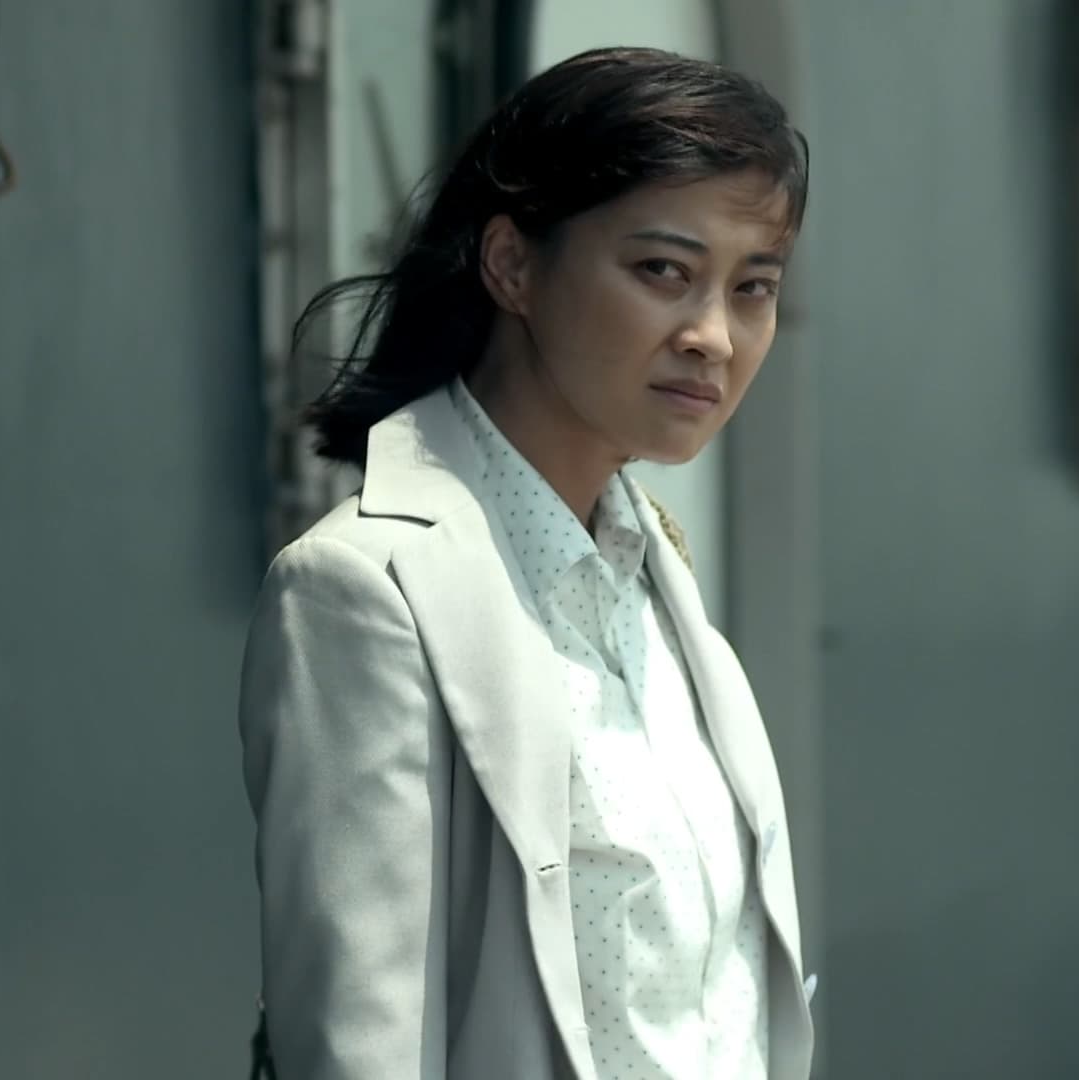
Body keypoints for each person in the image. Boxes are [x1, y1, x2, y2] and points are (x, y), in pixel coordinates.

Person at [238, 46, 813, 1079]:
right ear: (511, 264)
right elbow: (360, 1048)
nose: (714, 336)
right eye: (663, 271)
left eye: (753, 287)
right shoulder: (366, 592)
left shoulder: (652, 576)